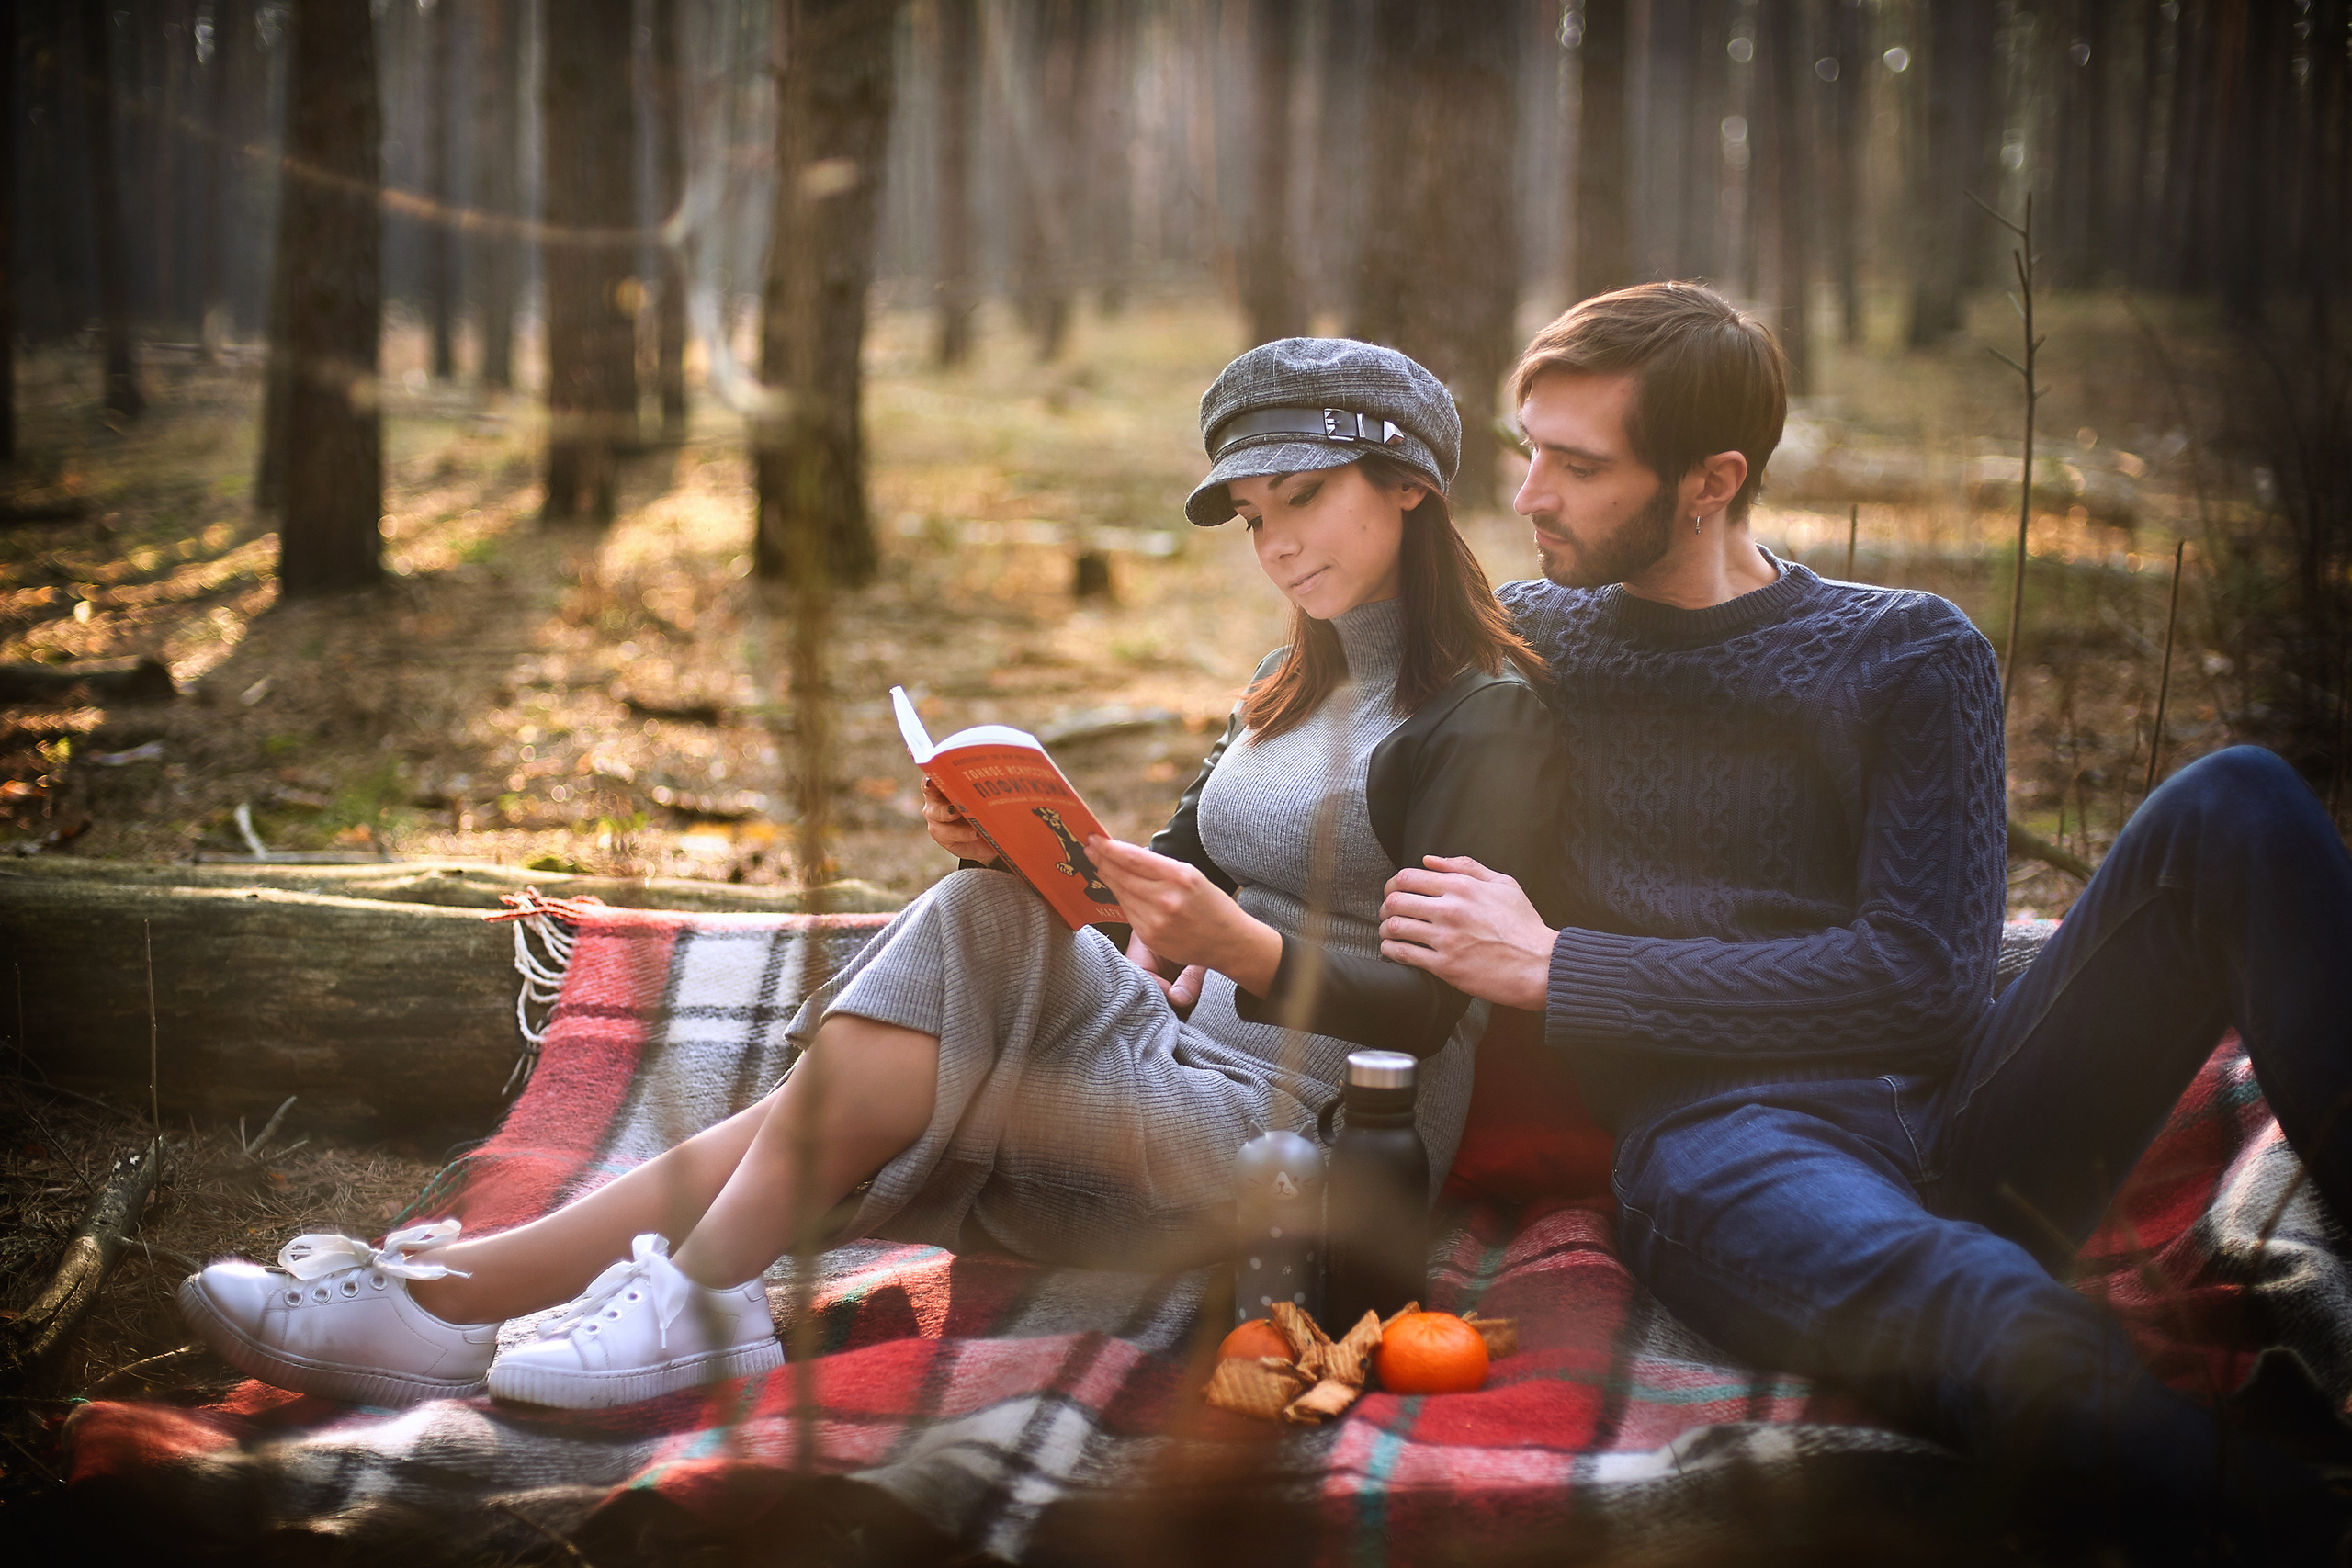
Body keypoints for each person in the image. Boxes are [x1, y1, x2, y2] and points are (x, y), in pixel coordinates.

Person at [175, 337, 1566, 1411]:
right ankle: (512, 1298)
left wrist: (1241, 949)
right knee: (975, 915)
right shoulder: (1288, 682)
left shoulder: (1477, 717)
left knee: (922, 1015)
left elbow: (1435, 1007)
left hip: (1310, 1139)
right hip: (1172, 1060)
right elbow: (1165, 871)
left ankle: (493, 1298)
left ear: (1412, 485)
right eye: (1253, 515)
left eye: (1303, 499)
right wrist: (1029, 848)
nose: (1277, 544)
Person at [1375, 280, 2352, 1555]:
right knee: (1986, 1310)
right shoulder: (1529, 642)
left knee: (2238, 800)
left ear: (1711, 481)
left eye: (1579, 465)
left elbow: (1925, 984)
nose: (1530, 495)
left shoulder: (1905, 652)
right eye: (1529, 450)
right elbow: (1318, 726)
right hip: (1726, 1137)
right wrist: (1197, 910)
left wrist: (1568, 969)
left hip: (1984, 1107)